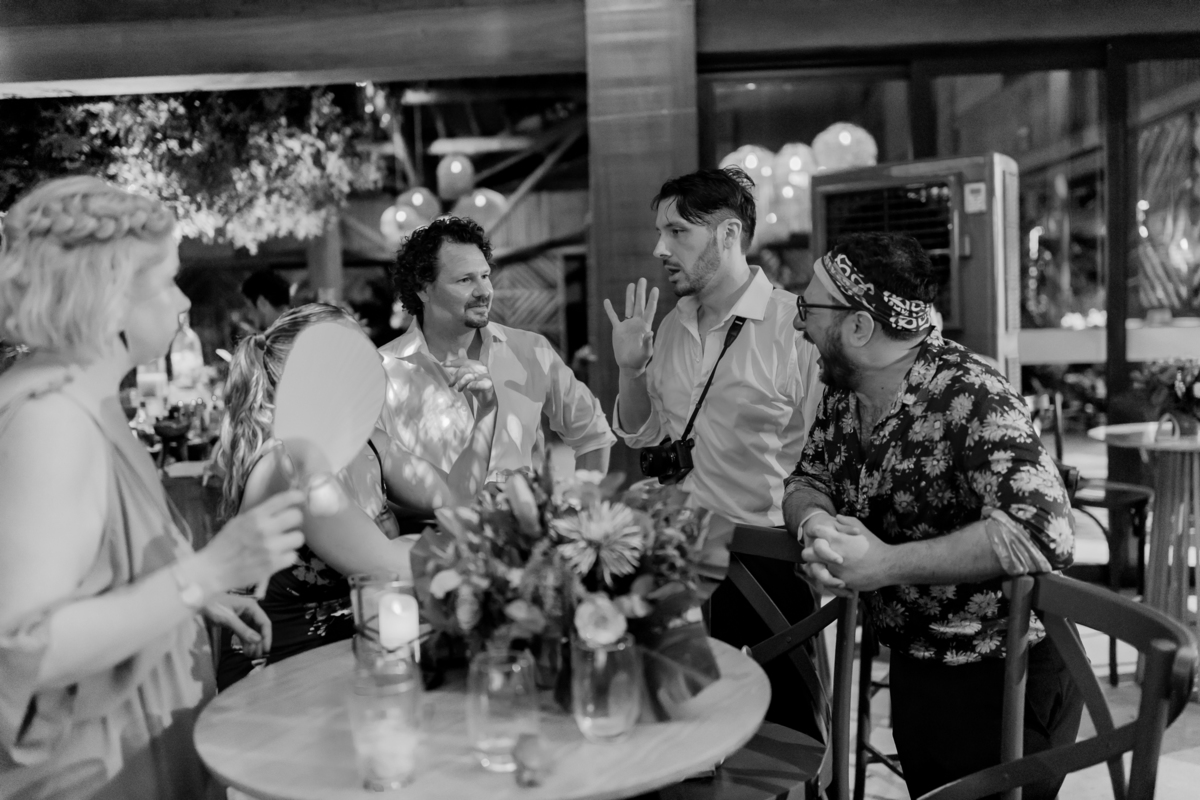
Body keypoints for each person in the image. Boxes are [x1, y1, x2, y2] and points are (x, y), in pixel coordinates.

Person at [0, 176, 305, 799]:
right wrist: (208, 570)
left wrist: (195, 599)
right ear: (110, 295)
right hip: (100, 772)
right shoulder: (52, 419)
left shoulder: (87, 398)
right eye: (166, 281)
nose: (183, 302)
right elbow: (26, 646)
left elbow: (92, 573)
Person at [784, 232, 1082, 800]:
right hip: (917, 667)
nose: (799, 322)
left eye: (809, 306)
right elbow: (808, 478)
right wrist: (818, 528)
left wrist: (885, 565)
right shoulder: (845, 391)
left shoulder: (972, 393)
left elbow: (1043, 531)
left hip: (1005, 679)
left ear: (860, 327)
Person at [604, 166, 824, 739]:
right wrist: (630, 369)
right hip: (679, 559)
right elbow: (646, 436)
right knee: (683, 731)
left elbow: (827, 457)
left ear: (728, 235)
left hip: (767, 563)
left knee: (785, 739)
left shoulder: (795, 327)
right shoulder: (671, 327)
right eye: (661, 232)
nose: (660, 249)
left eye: (677, 232)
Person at [211, 303, 419, 689]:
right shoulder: (291, 462)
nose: (374, 360)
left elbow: (444, 497)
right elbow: (388, 568)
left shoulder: (349, 447)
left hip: (334, 660)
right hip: (275, 682)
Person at [379, 216, 615, 515]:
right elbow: (373, 482)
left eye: (485, 275)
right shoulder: (383, 371)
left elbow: (592, 433)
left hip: (527, 537)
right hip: (432, 537)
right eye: (465, 280)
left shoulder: (531, 351)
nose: (484, 291)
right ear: (423, 289)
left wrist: (580, 514)